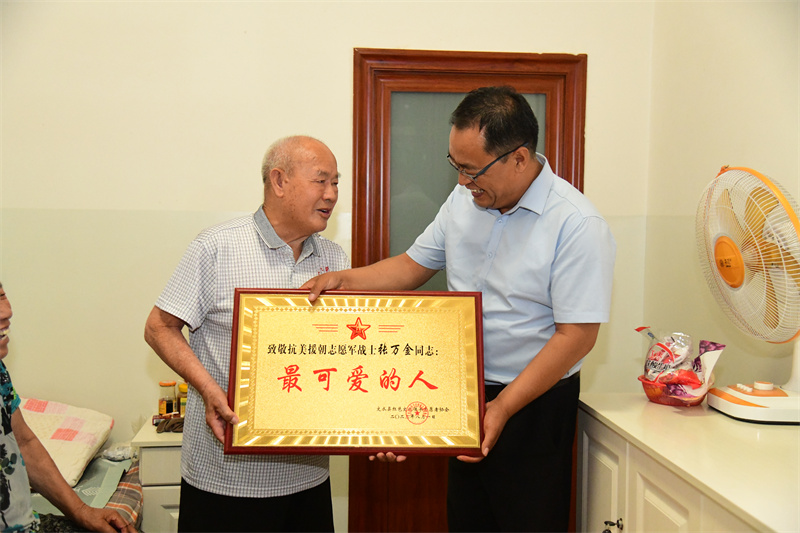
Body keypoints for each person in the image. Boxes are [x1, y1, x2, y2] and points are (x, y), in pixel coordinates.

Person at [303, 86, 616, 532]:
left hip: (534, 403)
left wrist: (502, 407)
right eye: (456, 166)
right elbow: (411, 267)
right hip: (463, 391)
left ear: (519, 158)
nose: (462, 182)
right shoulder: (464, 202)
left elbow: (577, 336)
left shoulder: (577, 224)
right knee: (468, 518)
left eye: (472, 169)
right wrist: (345, 280)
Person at [144, 136, 350, 532]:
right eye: (321, 181)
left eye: (336, 183)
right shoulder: (217, 247)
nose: (331, 194)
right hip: (225, 480)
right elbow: (159, 328)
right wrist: (208, 390)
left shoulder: (334, 259)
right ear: (279, 181)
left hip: (307, 477)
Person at [0, 282, 135, 533]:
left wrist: (82, 511)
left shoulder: (0, 375)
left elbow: (24, 444)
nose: (6, 311)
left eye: (1, 296)